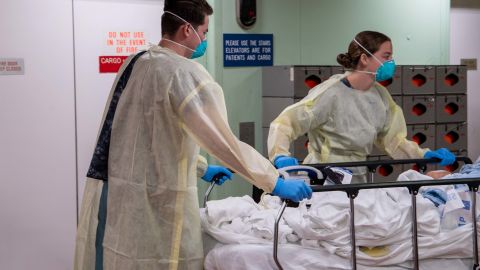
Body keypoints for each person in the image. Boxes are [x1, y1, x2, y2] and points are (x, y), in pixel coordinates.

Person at [74, 1, 312, 269]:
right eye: (205, 31)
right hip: (159, 201)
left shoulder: (135, 63)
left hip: (120, 194)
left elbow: (148, 135)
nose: (205, 39)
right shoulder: (183, 73)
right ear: (188, 29)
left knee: (122, 257)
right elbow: (224, 143)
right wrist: (274, 182)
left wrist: (201, 167)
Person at [267, 30, 455, 182]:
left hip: (359, 175)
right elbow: (284, 123)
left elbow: (393, 140)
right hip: (325, 176)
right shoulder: (331, 92)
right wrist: (279, 155)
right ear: (365, 58)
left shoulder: (380, 96)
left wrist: (425, 154)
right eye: (386, 56)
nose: (391, 63)